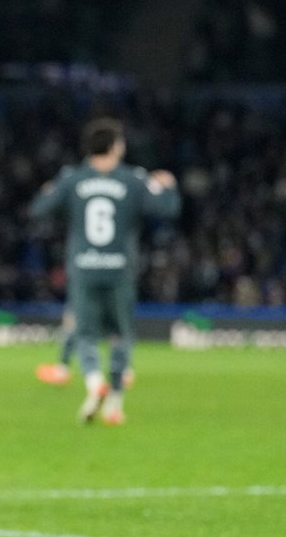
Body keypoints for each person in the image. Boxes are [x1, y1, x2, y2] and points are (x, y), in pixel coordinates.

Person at [29, 118, 180, 425]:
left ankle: (93, 380)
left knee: (84, 335)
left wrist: (48, 193)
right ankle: (114, 404)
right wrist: (169, 188)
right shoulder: (132, 179)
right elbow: (167, 210)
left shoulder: (72, 179)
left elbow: (38, 210)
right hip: (119, 270)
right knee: (121, 336)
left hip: (84, 267)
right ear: (114, 146)